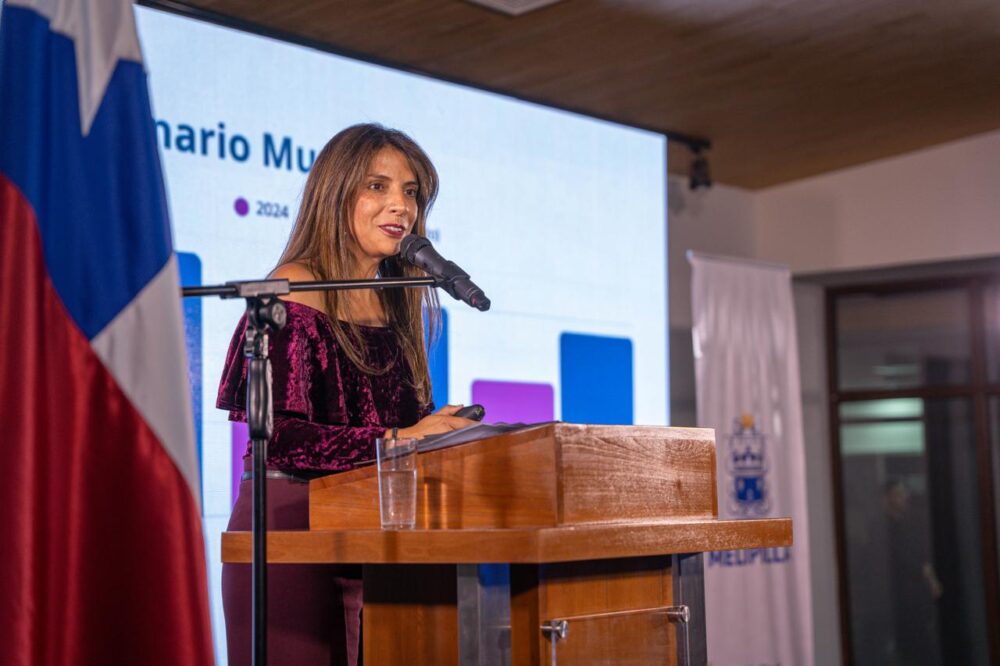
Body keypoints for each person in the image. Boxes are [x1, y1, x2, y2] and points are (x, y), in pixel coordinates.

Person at [216, 123, 475, 665]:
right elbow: (280, 439)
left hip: (371, 532)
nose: (401, 205)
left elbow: (398, 423)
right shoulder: (292, 291)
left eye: (411, 192)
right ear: (335, 195)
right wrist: (399, 438)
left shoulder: (396, 303)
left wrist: (440, 431)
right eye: (378, 186)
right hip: (292, 530)